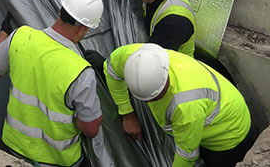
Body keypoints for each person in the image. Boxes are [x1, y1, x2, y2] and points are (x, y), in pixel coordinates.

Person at [0, 0, 105, 167]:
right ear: (82, 28)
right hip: (57, 161)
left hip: (10, 149)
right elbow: (91, 129)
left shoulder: (20, 36)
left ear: (60, 11)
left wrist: (4, 31)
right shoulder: (81, 71)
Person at [104, 43, 254, 167]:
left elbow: (186, 156)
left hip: (229, 135)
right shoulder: (136, 57)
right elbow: (110, 70)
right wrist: (127, 112)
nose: (148, 103)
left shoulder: (186, 105)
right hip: (211, 110)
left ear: (166, 80)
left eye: (155, 97)